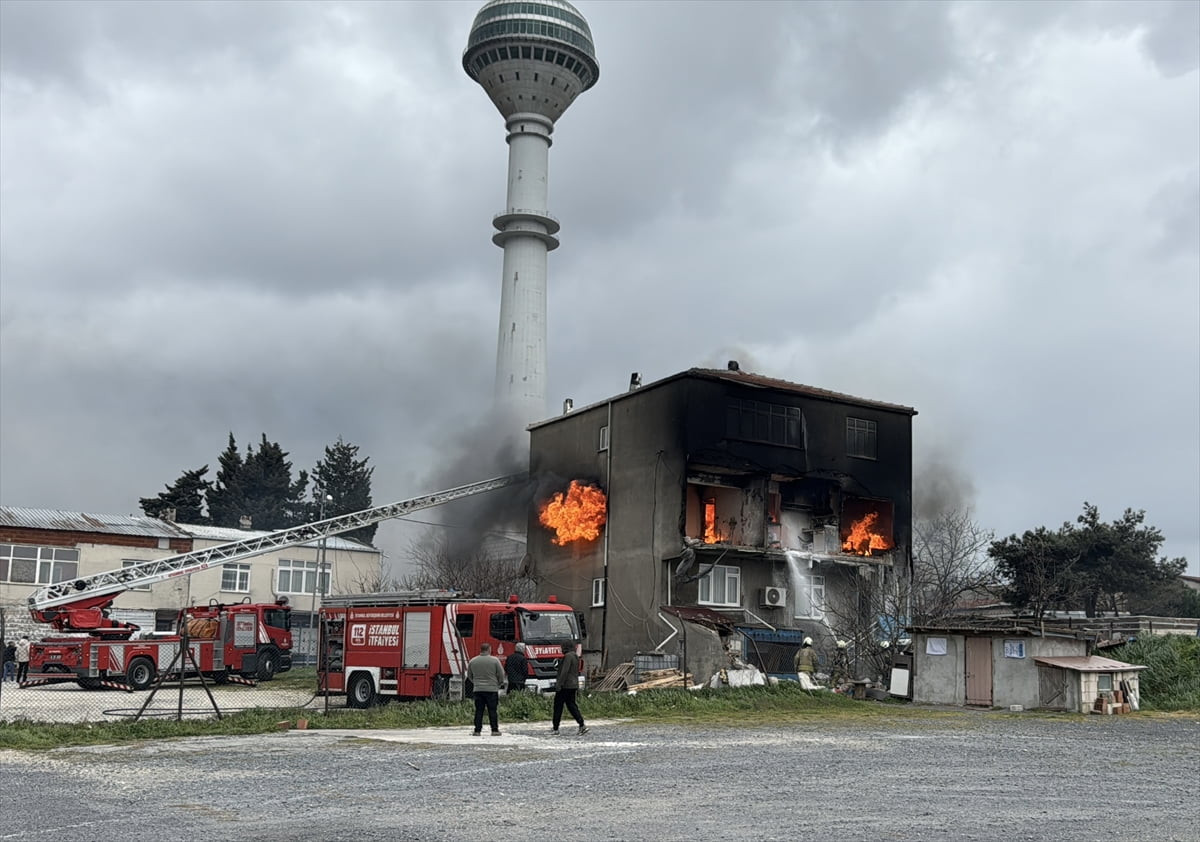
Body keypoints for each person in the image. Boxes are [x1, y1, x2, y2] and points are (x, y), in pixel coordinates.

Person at [466, 642, 506, 736]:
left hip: (478, 690)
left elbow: (469, 675)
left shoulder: (473, 661)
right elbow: (501, 674)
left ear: (481, 649)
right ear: (489, 649)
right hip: (492, 689)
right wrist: (498, 683)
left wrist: (476, 683)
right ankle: (495, 730)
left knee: (479, 710)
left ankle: (477, 730)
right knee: (492, 710)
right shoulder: (495, 660)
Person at [551, 643, 588, 735]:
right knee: (572, 705)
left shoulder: (567, 657)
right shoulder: (575, 656)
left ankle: (555, 728)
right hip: (573, 685)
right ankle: (581, 724)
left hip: (565, 685)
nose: (561, 650)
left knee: (558, 706)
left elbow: (564, 671)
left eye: (562, 648)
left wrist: (559, 684)